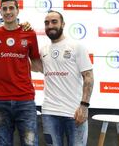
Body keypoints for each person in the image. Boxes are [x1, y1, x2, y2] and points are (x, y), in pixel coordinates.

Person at [0, 0, 40, 146]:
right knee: (4, 143)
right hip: (1, 99)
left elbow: (36, 63)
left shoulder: (30, 34)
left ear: (17, 10)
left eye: (11, 8)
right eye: (4, 8)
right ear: (0, 12)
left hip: (25, 99)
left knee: (30, 143)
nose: (8, 12)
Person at [35, 10, 94, 146]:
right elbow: (36, 67)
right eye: (47, 23)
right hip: (49, 112)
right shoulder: (43, 50)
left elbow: (89, 76)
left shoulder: (76, 46)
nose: (50, 25)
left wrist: (84, 107)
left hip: (74, 113)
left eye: (54, 22)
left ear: (63, 24)